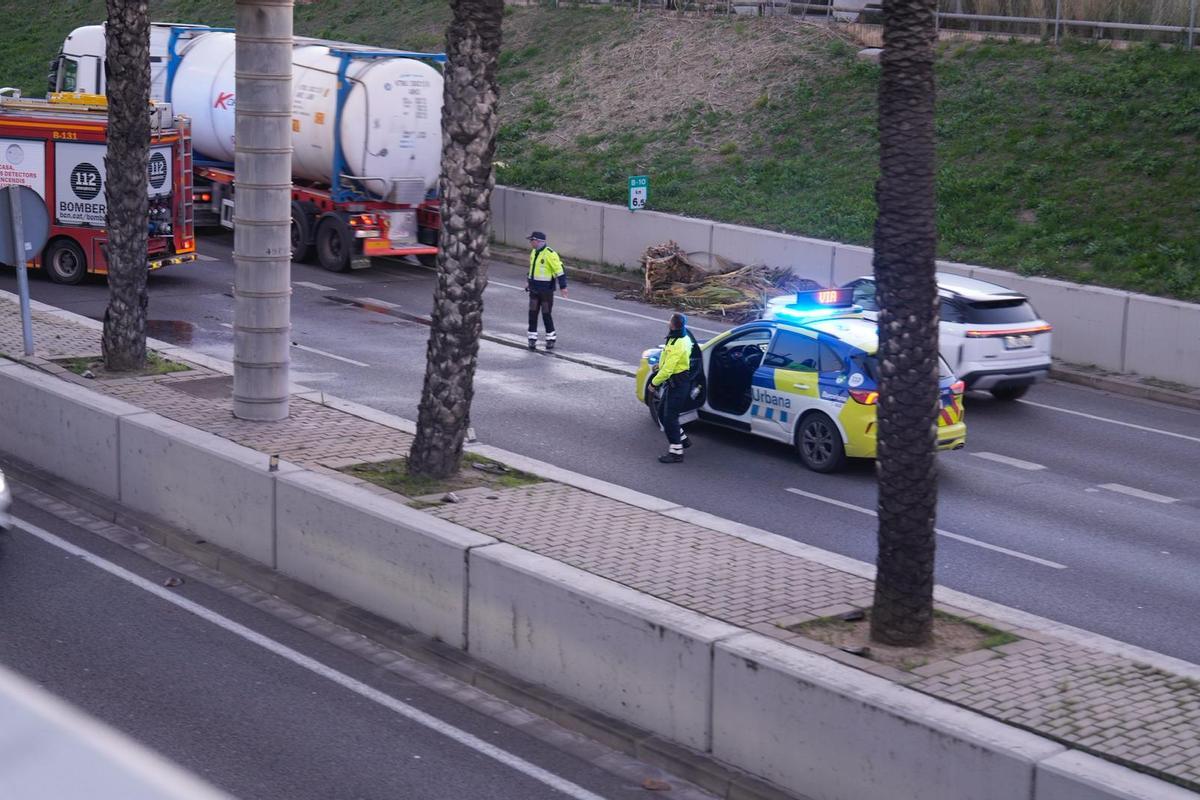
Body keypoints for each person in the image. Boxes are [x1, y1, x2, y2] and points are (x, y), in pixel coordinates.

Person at [651, 312, 697, 463]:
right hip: (674, 383)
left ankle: (676, 452)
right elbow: (668, 359)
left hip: (678, 383)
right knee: (662, 412)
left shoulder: (678, 343)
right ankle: (683, 440)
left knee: (670, 418)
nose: (667, 322)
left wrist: (653, 383)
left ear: (672, 324)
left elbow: (668, 369)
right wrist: (660, 365)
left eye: (669, 320)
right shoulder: (679, 336)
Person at [525, 231, 568, 351]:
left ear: (538, 241)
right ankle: (532, 339)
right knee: (532, 314)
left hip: (546, 292)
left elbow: (560, 271)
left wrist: (563, 287)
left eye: (532, 240)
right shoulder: (534, 252)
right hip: (534, 290)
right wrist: (528, 281)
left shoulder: (550, 254)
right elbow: (532, 269)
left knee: (546, 314)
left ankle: (550, 339)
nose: (530, 242)